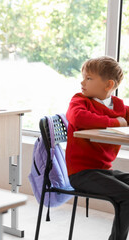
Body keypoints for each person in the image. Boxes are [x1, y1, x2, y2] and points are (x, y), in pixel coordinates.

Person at [66, 56, 129, 240]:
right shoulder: (79, 101)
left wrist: (118, 120)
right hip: (81, 173)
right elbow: (78, 118)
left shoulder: (118, 106)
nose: (82, 82)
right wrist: (115, 123)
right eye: (84, 77)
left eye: (89, 78)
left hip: (103, 171)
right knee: (127, 196)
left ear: (108, 85)